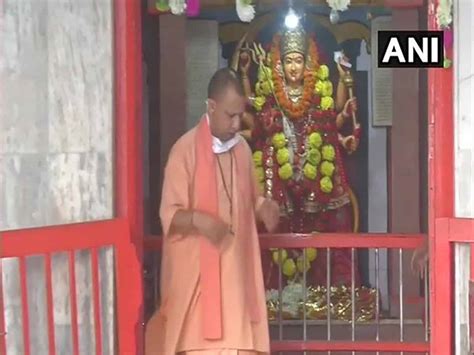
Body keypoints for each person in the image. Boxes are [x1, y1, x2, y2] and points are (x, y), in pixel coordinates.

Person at [145, 68, 280, 355]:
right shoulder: (184, 151)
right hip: (198, 295)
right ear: (211, 107)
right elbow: (168, 215)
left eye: (239, 116)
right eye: (229, 115)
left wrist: (263, 207)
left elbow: (249, 199)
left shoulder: (242, 150)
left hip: (237, 289)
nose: (235, 124)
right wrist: (198, 220)